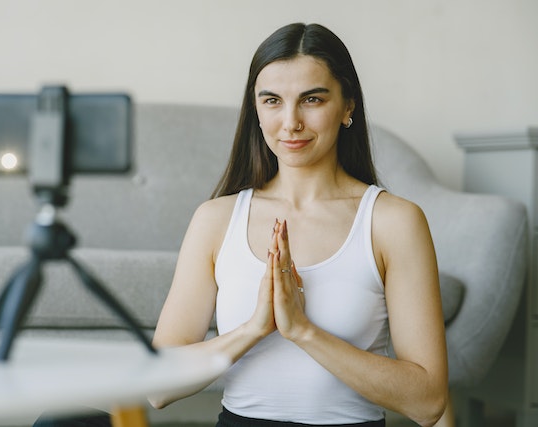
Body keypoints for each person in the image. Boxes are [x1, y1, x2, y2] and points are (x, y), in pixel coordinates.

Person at [34, 22, 448, 427]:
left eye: (312, 100)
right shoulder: (216, 219)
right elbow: (157, 388)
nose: (290, 122)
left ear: (348, 106)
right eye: (272, 101)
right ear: (255, 108)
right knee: (63, 422)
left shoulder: (392, 221)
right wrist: (253, 329)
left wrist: (303, 331)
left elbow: (427, 403)